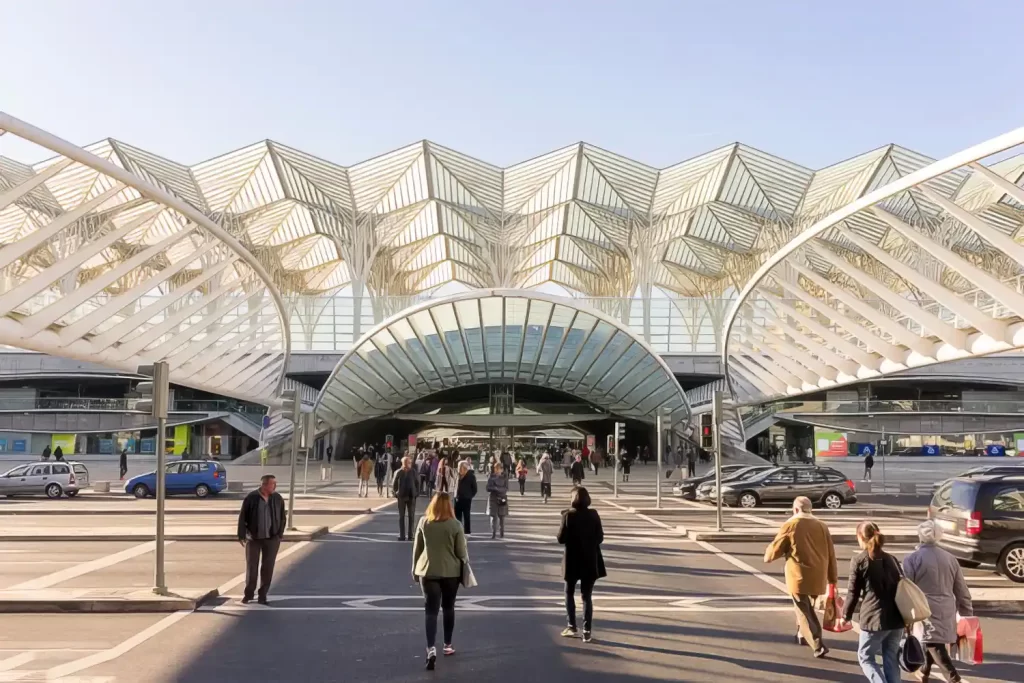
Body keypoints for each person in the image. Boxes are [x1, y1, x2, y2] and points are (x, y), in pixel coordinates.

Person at [763, 496, 838, 659]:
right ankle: (802, 635)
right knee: (807, 607)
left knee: (803, 610)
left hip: (798, 576)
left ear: (796, 509)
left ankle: (817, 644)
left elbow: (775, 550)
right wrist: (832, 579)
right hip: (819, 576)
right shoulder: (822, 525)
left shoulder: (791, 524)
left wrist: (768, 555)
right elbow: (831, 554)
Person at [902, 520, 974, 683]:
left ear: (920, 536)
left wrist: (904, 616)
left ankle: (953, 677)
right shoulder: (950, 558)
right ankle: (924, 671)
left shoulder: (912, 559)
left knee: (932, 643)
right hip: (947, 608)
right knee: (932, 641)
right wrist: (966, 613)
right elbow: (961, 590)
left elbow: (907, 590)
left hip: (924, 608)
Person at [839, 521, 904, 683]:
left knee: (866, 658)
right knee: (891, 657)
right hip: (897, 617)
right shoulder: (892, 559)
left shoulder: (860, 560)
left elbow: (853, 592)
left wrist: (845, 616)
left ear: (860, 537)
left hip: (874, 618)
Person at [412, 493, 469, 670]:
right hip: (451, 572)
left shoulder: (424, 522)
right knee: (449, 607)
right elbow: (461, 552)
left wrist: (414, 569)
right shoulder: (455, 525)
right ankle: (448, 644)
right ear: (449, 506)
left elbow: (417, 549)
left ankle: (430, 648)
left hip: (428, 571)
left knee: (430, 611)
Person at [558, 486, 605, 643]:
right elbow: (600, 537)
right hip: (589, 560)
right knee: (587, 596)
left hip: (572, 560)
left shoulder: (568, 516)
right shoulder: (594, 514)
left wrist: (563, 518)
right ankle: (587, 631)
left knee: (569, 592)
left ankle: (571, 626)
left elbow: (560, 539)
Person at [237, 474, 286, 605]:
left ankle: (263, 595)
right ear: (264, 485)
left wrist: (279, 534)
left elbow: (282, 517)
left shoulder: (277, 498)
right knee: (252, 567)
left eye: (275, 484)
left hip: (272, 539)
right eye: (272, 484)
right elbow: (243, 517)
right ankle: (248, 594)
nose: (275, 486)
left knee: (268, 567)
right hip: (253, 538)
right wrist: (241, 535)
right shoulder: (251, 497)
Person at [392, 456, 420, 541]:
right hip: (401, 496)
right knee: (401, 516)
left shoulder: (413, 472)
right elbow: (394, 484)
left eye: (409, 462)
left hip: (411, 496)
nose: (408, 464)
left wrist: (416, 493)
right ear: (403, 463)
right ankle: (402, 535)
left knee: (411, 516)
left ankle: (411, 535)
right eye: (407, 462)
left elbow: (418, 483)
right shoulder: (398, 472)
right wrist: (396, 493)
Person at [486, 462, 509, 539]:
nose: (496, 470)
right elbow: (488, 488)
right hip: (493, 498)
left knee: (502, 516)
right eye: (495, 468)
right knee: (493, 516)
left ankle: (502, 532)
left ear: (501, 469)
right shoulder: (491, 477)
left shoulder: (505, 477)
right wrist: (494, 488)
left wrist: (498, 489)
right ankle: (493, 533)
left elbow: (506, 488)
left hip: (502, 498)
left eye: (498, 469)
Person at [454, 461, 477, 535]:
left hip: (466, 499)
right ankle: (458, 530)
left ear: (465, 469)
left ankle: (467, 531)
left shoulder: (471, 476)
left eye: (461, 468)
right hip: (457, 498)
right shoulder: (457, 475)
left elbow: (475, 489)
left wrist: (470, 495)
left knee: (466, 515)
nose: (459, 470)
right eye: (459, 468)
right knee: (457, 516)